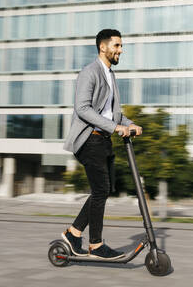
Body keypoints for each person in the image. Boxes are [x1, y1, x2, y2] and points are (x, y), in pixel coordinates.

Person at [62, 29, 142, 259]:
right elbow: (83, 108)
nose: (120, 50)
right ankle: (95, 245)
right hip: (89, 139)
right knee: (100, 190)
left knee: (105, 190)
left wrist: (131, 123)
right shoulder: (90, 72)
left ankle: (74, 233)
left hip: (103, 139)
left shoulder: (110, 75)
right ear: (103, 47)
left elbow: (113, 114)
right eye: (117, 45)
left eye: (120, 46)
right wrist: (116, 128)